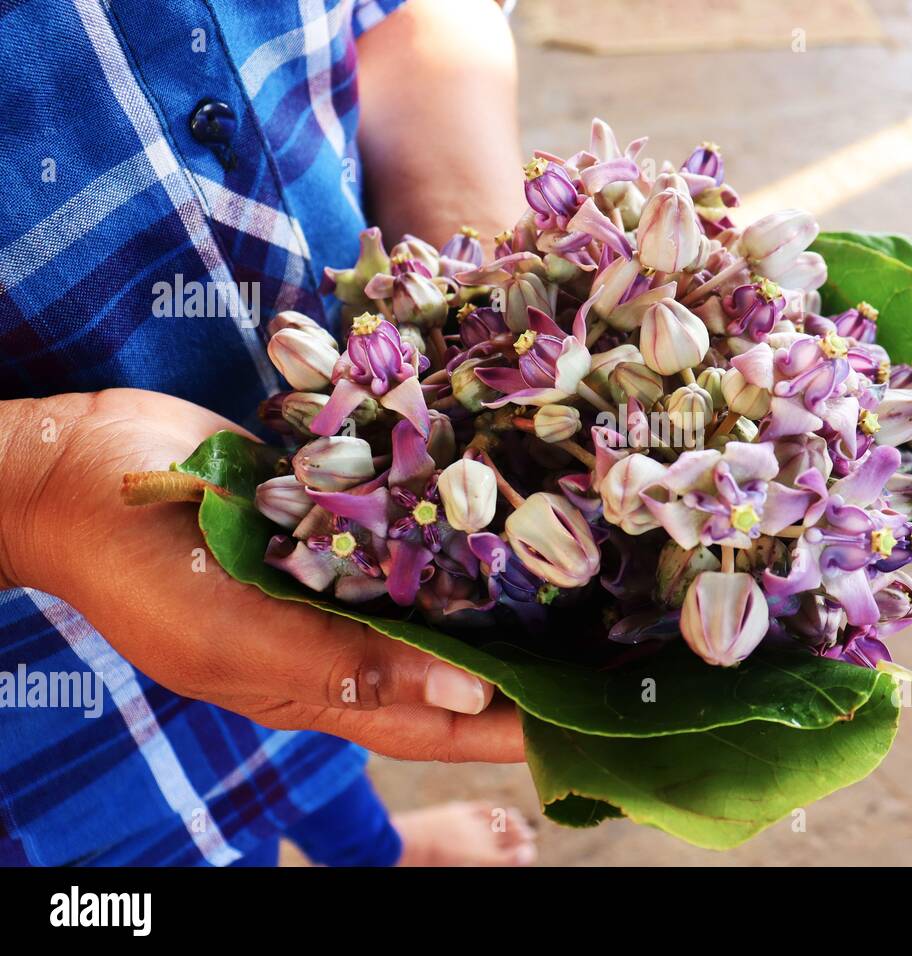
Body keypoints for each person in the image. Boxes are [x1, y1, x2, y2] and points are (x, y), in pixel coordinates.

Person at [0, 0, 537, 866]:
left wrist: (472, 265)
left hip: (353, 538)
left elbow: (419, 18)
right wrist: (32, 486)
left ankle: (377, 853)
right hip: (43, 714)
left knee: (329, 732)